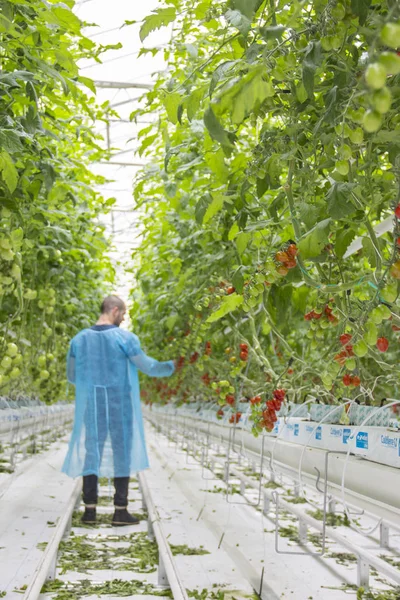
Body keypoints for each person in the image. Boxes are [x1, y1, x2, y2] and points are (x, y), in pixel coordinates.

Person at [62, 295, 176, 526]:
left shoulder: (79, 340)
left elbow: (72, 376)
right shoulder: (125, 338)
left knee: (92, 451)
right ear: (114, 310)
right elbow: (148, 366)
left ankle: (90, 511)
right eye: (123, 314)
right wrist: (173, 366)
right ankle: (120, 511)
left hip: (92, 406)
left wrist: (95, 381)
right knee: (121, 450)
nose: (123, 319)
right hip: (119, 404)